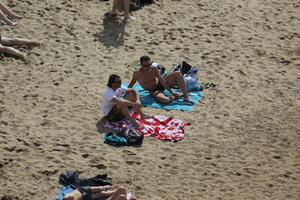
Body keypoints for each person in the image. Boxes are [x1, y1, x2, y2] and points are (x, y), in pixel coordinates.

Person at [128, 56, 194, 104]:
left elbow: (162, 80)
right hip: (154, 90)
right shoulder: (137, 73)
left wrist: (171, 91)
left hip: (160, 84)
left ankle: (186, 97)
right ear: (141, 65)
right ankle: (177, 95)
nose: (148, 68)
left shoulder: (153, 68)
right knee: (165, 100)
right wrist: (125, 93)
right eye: (145, 66)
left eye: (149, 65)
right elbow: (131, 84)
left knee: (178, 74)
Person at [63, 185, 134, 200]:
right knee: (122, 193)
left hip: (81, 190)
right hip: (84, 197)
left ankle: (107, 188)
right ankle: (114, 191)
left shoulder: (66, 198)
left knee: (100, 189)